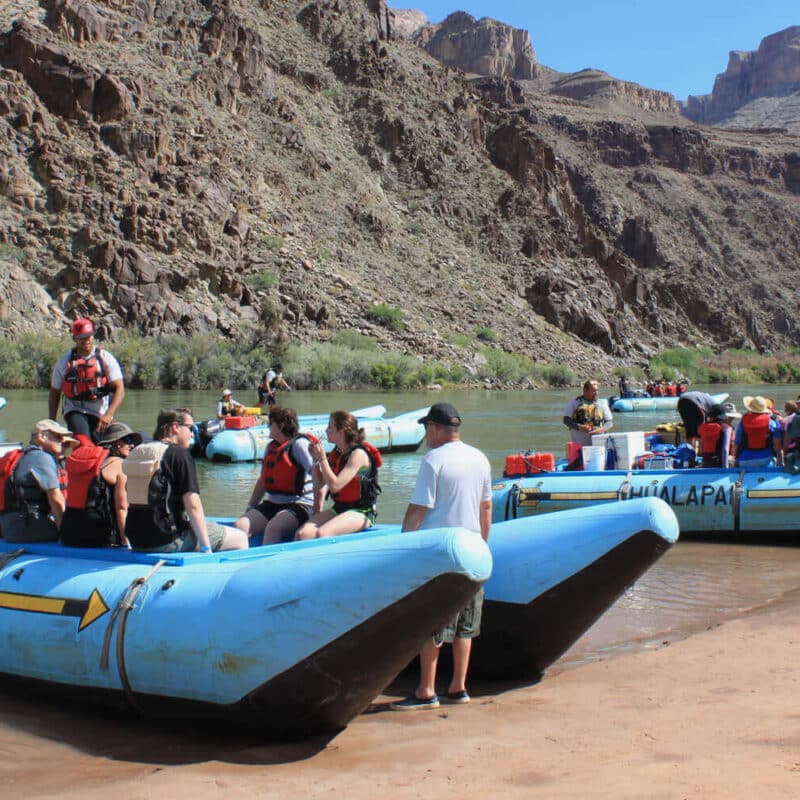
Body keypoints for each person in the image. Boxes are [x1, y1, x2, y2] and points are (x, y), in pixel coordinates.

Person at [390, 402, 492, 711]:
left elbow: (418, 509)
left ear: (435, 429)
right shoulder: (480, 458)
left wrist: (404, 547)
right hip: (472, 549)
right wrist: (482, 544)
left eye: (426, 428)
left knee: (432, 623)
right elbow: (486, 508)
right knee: (465, 625)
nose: (425, 435)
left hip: (440, 552)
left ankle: (426, 691)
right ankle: (458, 688)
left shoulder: (433, 460)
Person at [123, 408, 248, 553]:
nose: (192, 433)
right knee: (240, 538)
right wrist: (206, 547)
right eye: (190, 428)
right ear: (175, 427)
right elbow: (192, 505)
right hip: (167, 540)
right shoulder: (179, 455)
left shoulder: (137, 452)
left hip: (136, 539)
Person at [235, 406, 321, 544]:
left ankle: (267, 563)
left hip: (300, 504)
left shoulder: (300, 445)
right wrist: (250, 508)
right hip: (274, 503)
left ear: (281, 426)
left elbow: (319, 478)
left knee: (273, 528)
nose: (268, 426)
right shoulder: (272, 447)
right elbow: (262, 481)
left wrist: (317, 513)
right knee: (241, 525)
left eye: (271, 423)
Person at [295, 411, 382, 540]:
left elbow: (335, 486)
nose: (326, 430)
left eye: (330, 427)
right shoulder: (337, 453)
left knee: (323, 533)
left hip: (361, 511)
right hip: (340, 508)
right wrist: (315, 460)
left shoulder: (358, 454)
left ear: (341, 432)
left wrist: (323, 459)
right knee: (302, 534)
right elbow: (319, 484)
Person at [60, 423, 142, 548]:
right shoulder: (121, 465)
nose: (132, 445)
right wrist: (127, 543)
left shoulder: (88, 462)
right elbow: (121, 508)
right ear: (117, 443)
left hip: (68, 533)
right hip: (97, 535)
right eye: (128, 440)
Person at [49, 318, 125, 440]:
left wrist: (108, 415)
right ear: (75, 339)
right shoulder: (64, 361)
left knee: (101, 447)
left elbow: (119, 389)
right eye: (81, 337)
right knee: (83, 441)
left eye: (88, 336)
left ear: (93, 336)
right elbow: (55, 391)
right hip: (74, 409)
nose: (86, 340)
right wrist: (52, 420)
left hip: (100, 412)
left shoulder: (105, 358)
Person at [0, 420, 76, 542]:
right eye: (57, 437)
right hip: (29, 527)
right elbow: (56, 500)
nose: (62, 441)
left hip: (9, 528)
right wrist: (66, 534)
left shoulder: (22, 456)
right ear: (41, 436)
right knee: (84, 531)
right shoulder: (42, 458)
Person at [562, 379, 613, 455]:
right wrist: (579, 427)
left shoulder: (602, 403)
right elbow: (566, 420)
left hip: (598, 448)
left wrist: (601, 429)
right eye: (594, 391)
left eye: (597, 390)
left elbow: (609, 422)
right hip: (579, 447)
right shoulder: (574, 402)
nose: (596, 393)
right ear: (585, 390)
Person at [733, 395, 783, 469]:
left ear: (750, 408)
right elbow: (777, 447)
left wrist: (735, 460)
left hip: (745, 461)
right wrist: (780, 463)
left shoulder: (742, 423)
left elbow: (736, 444)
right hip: (766, 460)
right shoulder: (773, 423)